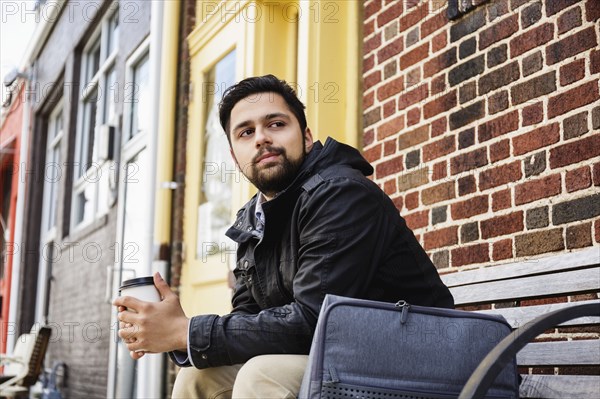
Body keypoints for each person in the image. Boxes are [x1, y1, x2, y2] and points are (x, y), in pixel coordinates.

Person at [114, 74, 454, 398]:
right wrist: (174, 335)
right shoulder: (253, 220)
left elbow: (314, 320)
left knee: (261, 376)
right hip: (341, 356)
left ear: (306, 137)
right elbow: (248, 316)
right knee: (198, 376)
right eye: (246, 132)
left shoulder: (341, 194)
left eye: (276, 124)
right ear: (235, 156)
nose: (261, 137)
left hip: (413, 359)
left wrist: (185, 331)